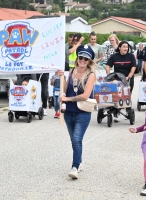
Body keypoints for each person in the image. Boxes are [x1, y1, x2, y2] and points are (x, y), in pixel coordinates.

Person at [59, 44, 96, 179]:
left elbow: (85, 95)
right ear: (77, 58)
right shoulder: (71, 71)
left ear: (89, 61)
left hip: (83, 112)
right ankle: (79, 163)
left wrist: (67, 99)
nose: (82, 60)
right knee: (74, 140)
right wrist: (61, 77)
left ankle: (75, 167)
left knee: (76, 139)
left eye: (86, 59)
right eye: (81, 57)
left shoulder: (91, 75)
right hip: (69, 111)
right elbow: (65, 88)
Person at [105, 41, 137, 122]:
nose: (126, 48)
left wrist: (129, 76)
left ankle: (128, 110)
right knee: (117, 96)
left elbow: (133, 67)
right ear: (119, 48)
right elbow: (108, 66)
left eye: (127, 47)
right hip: (117, 79)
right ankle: (117, 113)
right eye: (124, 47)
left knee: (126, 95)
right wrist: (109, 76)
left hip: (127, 78)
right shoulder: (114, 56)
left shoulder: (131, 56)